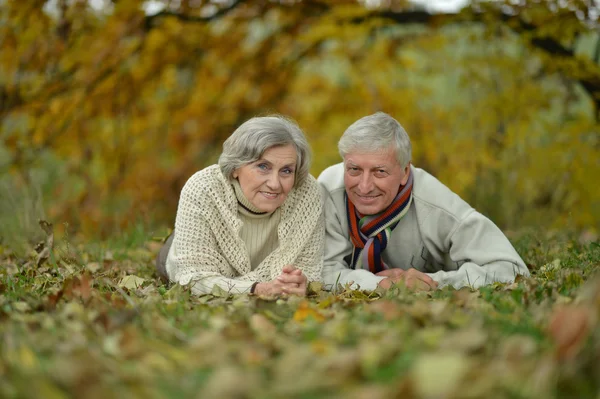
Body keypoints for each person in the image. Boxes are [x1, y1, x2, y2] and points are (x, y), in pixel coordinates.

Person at [318, 112, 529, 292]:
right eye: (354, 169)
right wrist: (380, 284)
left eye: (380, 172)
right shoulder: (328, 189)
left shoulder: (437, 204)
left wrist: (434, 282)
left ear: (404, 172)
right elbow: (319, 270)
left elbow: (512, 269)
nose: (364, 187)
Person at [156, 115, 324, 296]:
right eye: (263, 166)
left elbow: (309, 268)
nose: (275, 184)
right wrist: (257, 288)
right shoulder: (203, 188)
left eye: (286, 171)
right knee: (177, 261)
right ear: (236, 167)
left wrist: (299, 281)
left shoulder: (307, 192)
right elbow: (192, 277)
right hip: (192, 252)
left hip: (250, 276)